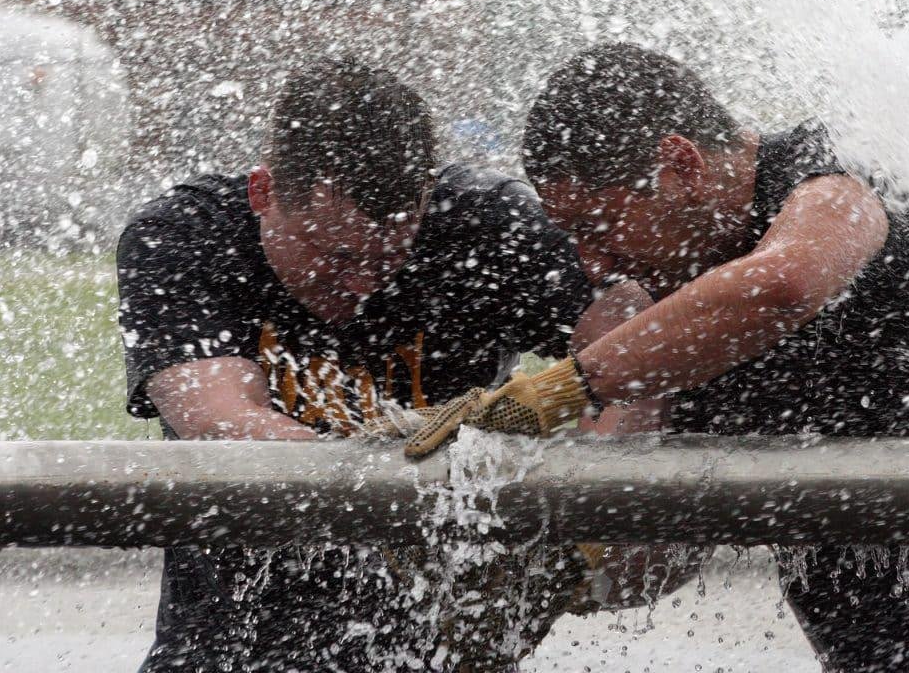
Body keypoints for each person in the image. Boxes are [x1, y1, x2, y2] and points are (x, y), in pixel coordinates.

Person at [407, 43, 909, 672]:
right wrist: (549, 571)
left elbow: (784, 283)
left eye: (595, 226)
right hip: (870, 638)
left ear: (680, 165)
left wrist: (569, 387)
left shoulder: (835, 175)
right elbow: (652, 545)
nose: (590, 260)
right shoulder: (665, 315)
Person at [117, 57, 598, 671]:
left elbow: (633, 342)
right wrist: (398, 482)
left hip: (444, 645)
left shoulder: (487, 225)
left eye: (391, 255)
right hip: (230, 644)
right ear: (262, 192)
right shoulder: (187, 236)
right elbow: (220, 422)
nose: (366, 282)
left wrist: (580, 528)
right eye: (335, 256)